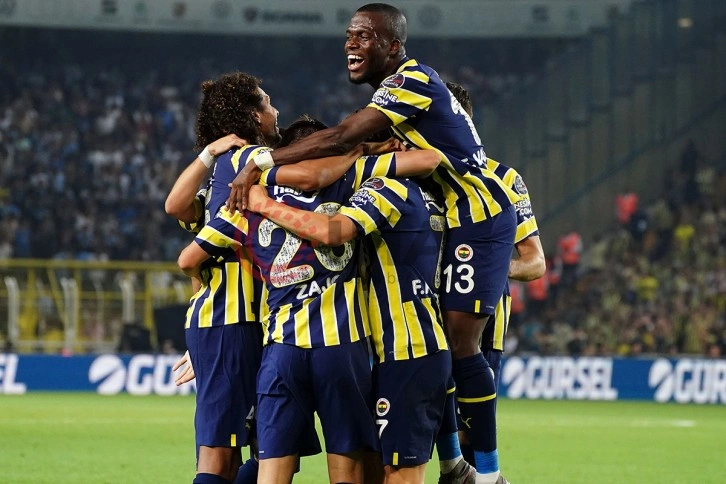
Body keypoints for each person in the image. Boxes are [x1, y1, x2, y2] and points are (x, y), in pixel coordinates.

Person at [227, 6, 520, 483]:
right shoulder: (392, 108)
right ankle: (453, 464)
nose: (351, 43)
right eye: (349, 35)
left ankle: (486, 474)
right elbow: (344, 151)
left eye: (364, 36)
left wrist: (260, 164)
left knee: (460, 344)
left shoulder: (412, 80)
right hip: (449, 223)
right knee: (445, 344)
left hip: (478, 215)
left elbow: (342, 140)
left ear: (393, 46)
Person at [198, 117, 442, 484]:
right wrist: (361, 149)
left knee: (272, 470)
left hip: (281, 347)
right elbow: (427, 159)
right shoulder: (349, 178)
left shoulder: (254, 190)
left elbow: (189, 253)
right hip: (341, 347)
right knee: (349, 469)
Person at [247, 170, 451, 483]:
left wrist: (263, 203)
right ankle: (458, 464)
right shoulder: (434, 195)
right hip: (394, 347)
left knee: (399, 475)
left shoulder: (385, 188)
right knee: (372, 467)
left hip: (406, 350)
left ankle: (462, 466)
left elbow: (332, 232)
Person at [446, 82, 546, 474]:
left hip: (479, 335)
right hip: (417, 328)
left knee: (469, 442)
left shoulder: (503, 179)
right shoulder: (412, 173)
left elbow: (534, 261)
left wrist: (488, 265)